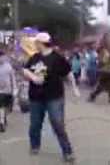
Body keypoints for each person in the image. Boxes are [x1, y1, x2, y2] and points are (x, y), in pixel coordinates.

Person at [22, 32, 80, 162]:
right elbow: (25, 70)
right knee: (35, 124)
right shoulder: (34, 57)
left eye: (36, 42)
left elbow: (69, 73)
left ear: (41, 43)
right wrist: (34, 77)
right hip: (36, 98)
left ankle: (67, 151)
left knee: (58, 124)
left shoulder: (57, 58)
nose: (35, 44)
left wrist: (75, 88)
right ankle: (35, 145)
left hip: (54, 97)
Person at [0, 50, 17, 132]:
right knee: (1, 106)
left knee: (7, 108)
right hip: (0, 92)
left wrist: (14, 90)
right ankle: (1, 123)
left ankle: (3, 118)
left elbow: (12, 79)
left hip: (8, 91)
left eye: (1, 57)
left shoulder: (8, 66)